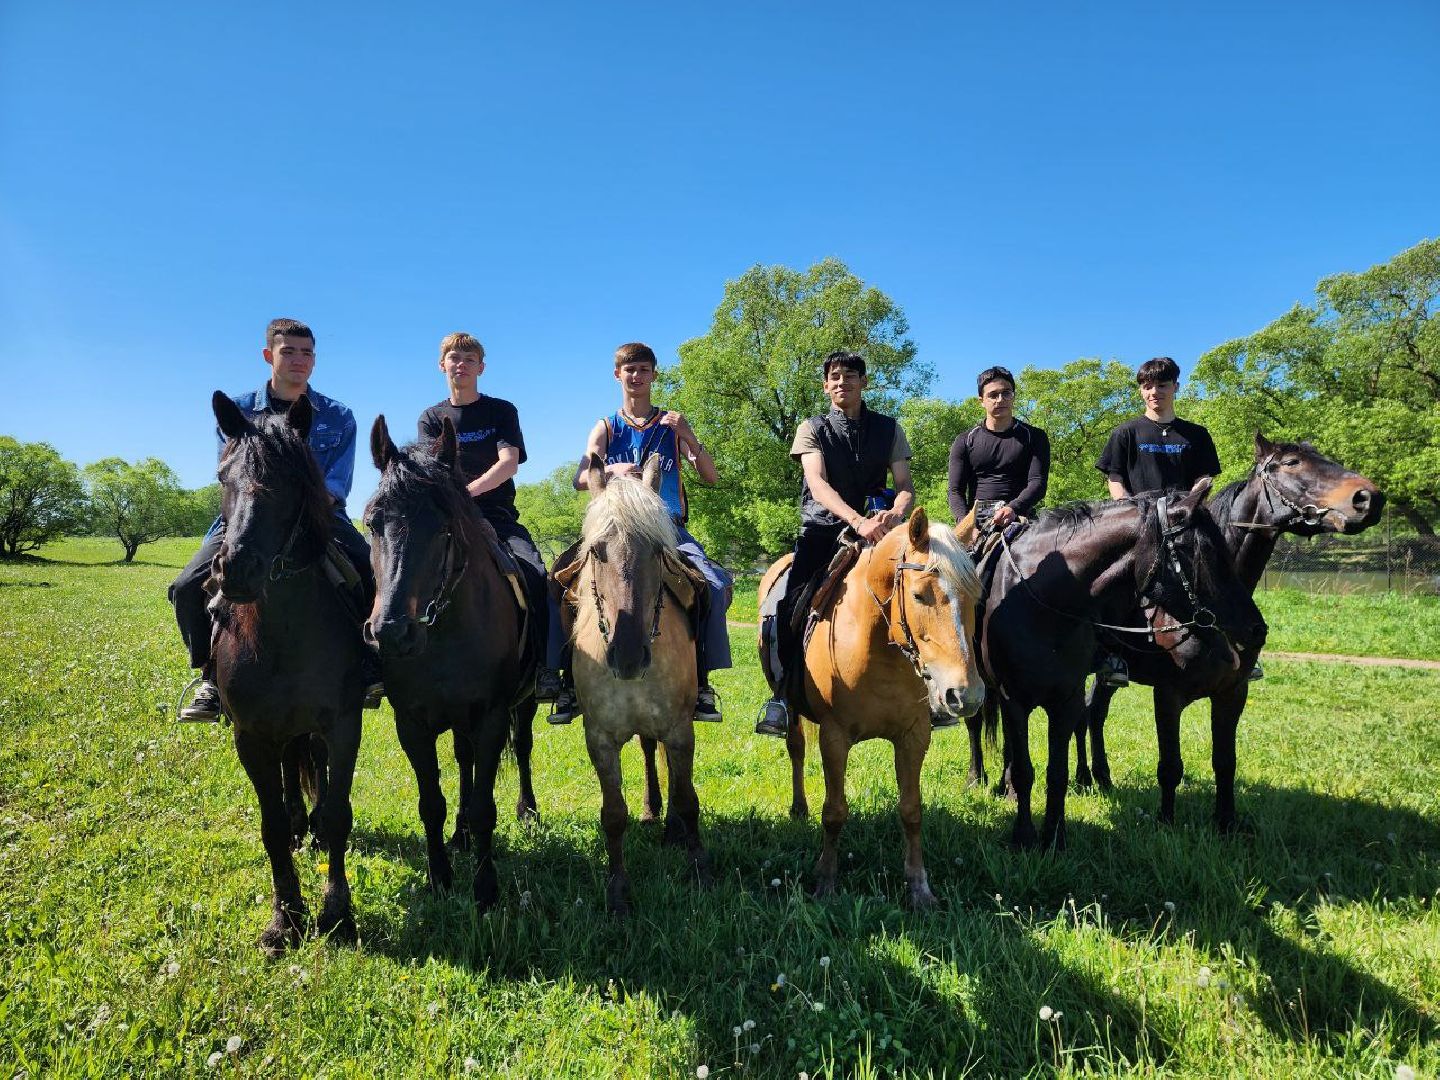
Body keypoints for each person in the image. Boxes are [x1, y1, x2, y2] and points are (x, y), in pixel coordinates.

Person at [171, 318, 382, 722]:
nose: (298, 360)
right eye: (289, 351)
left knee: (371, 570)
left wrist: (303, 505)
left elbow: (338, 481)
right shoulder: (238, 412)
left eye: (306, 353)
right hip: (247, 517)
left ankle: (370, 664)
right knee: (185, 586)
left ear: (314, 360)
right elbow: (232, 470)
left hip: (321, 516)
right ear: (270, 355)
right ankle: (210, 678)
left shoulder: (338, 416)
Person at [547, 342, 733, 724]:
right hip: (614, 529)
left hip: (667, 529)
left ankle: (702, 683)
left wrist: (689, 436)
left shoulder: (672, 424)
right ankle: (564, 679)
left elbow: (710, 476)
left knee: (712, 584)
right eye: (629, 370)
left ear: (653, 375)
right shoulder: (606, 426)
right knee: (559, 581)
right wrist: (613, 470)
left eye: (644, 369)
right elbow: (580, 478)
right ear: (618, 375)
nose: (636, 376)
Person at [755, 350, 917, 738]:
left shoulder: (890, 429)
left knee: (923, 591)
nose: (841, 382)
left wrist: (894, 514)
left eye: (849, 376)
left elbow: (905, 486)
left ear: (865, 382)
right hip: (824, 529)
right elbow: (818, 483)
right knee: (790, 604)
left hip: (880, 529)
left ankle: (927, 693)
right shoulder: (811, 428)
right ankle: (783, 694)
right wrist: (857, 520)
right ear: (826, 385)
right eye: (833, 377)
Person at [416, 332, 556, 698]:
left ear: (481, 367)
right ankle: (395, 660)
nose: (460, 365)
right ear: (441, 365)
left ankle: (545, 668)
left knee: (538, 576)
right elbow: (431, 468)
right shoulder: (431, 418)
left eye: (468, 359)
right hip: (446, 519)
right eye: (454, 358)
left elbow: (508, 464)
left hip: (497, 517)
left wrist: (469, 492)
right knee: (401, 572)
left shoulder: (501, 411)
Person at [1093, 355, 1238, 684]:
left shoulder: (1195, 435)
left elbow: (1205, 479)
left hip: (1185, 525)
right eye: (1147, 386)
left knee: (1220, 576)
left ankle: (1233, 646)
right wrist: (1130, 510)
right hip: (1139, 526)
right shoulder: (1126, 433)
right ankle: (1111, 657)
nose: (1154, 391)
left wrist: (1191, 502)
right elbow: (1114, 478)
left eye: (1161, 385)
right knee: (1116, 583)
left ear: (1175, 387)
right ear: (1141, 391)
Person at [947, 365, 1051, 536]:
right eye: (993, 395)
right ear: (981, 400)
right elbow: (955, 490)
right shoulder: (965, 440)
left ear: (1013, 396)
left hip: (1020, 519)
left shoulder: (1035, 436)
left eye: (1006, 393)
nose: (1000, 399)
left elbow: (1037, 483)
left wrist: (1013, 508)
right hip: (975, 523)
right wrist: (964, 524)